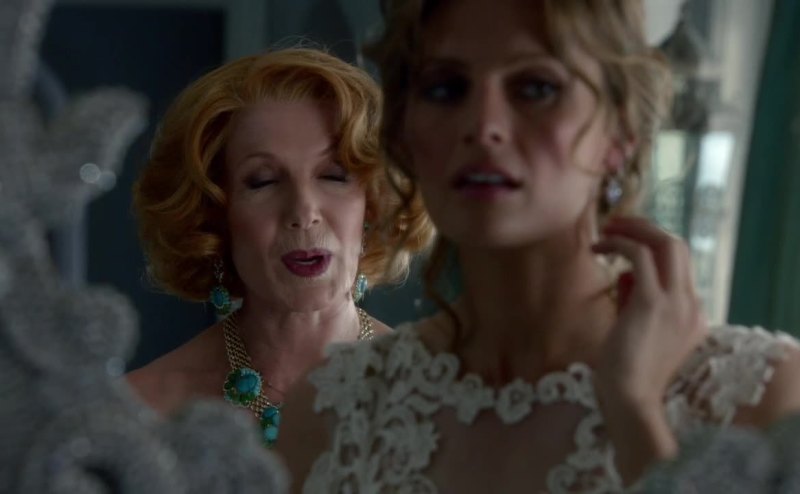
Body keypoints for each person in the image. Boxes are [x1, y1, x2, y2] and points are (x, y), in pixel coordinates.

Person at [278, 1, 800, 491]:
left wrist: (635, 410)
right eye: (446, 89)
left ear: (620, 136)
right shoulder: (331, 414)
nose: (483, 126)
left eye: (536, 88)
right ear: (404, 135)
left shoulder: (760, 396)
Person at [126, 48, 433, 448]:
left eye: (333, 175)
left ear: (373, 204)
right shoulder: (140, 412)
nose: (304, 212)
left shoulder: (442, 399)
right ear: (214, 216)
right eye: (263, 181)